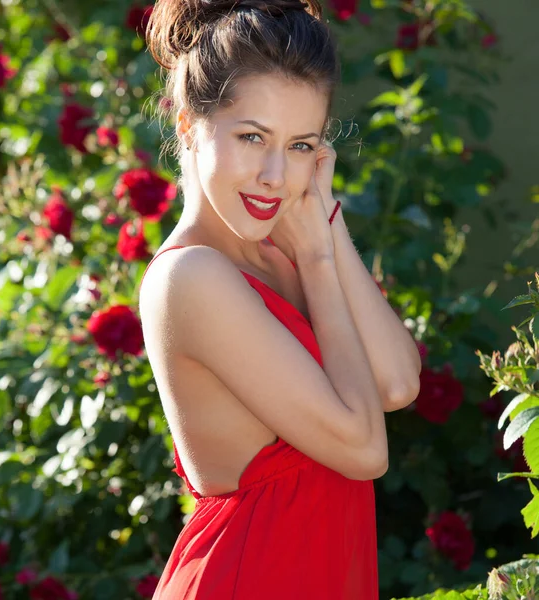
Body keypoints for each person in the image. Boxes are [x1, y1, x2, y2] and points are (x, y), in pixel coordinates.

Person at [138, 1, 422, 597]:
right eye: (252, 137)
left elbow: (396, 382)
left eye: (300, 147)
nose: (275, 176)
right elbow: (365, 448)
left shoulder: (279, 246)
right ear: (188, 126)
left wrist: (325, 225)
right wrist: (318, 262)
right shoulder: (191, 278)